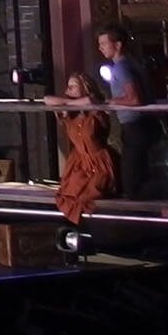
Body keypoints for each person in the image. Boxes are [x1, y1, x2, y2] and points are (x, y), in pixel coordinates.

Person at [44, 71, 116, 225]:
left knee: (89, 193)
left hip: (99, 162)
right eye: (67, 88)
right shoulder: (70, 113)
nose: (67, 91)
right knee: (69, 193)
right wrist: (68, 104)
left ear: (84, 88)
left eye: (72, 87)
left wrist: (69, 104)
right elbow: (47, 99)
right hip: (79, 163)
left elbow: (90, 101)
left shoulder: (96, 110)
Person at [98, 24, 155, 200]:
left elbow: (135, 99)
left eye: (104, 43)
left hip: (135, 127)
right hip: (141, 126)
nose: (100, 48)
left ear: (118, 45)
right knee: (140, 179)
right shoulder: (131, 64)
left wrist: (109, 102)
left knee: (132, 188)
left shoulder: (121, 68)